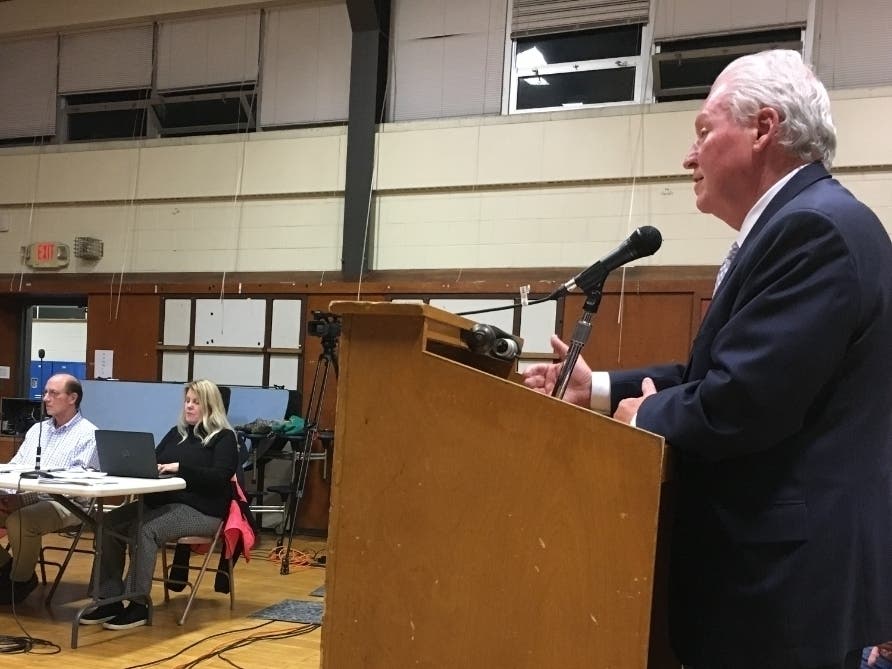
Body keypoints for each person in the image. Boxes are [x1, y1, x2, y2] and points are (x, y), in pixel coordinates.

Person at [522, 49, 892, 669]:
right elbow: (727, 374)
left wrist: (643, 418)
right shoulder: (804, 222)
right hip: (782, 583)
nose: (689, 157)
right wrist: (602, 388)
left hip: (782, 590)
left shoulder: (814, 231)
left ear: (763, 128)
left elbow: (741, 402)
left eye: (702, 131)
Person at [79, 379, 238, 630]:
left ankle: (138, 604)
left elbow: (220, 478)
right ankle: (109, 599)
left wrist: (181, 468)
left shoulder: (224, 438)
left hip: (203, 510)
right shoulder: (177, 433)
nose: (189, 407)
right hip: (164, 502)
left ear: (210, 406)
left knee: (146, 530)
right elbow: (152, 457)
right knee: (108, 524)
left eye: (196, 402)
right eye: (187, 401)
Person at [0, 373, 98, 605]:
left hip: (68, 504)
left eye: (53, 393)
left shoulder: (89, 434)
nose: (46, 398)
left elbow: (71, 486)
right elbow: (15, 467)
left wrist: (22, 500)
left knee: (22, 520)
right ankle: (6, 570)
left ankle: (20, 581)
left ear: (73, 398)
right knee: (16, 512)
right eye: (45, 392)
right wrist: (7, 494)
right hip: (25, 497)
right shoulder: (37, 430)